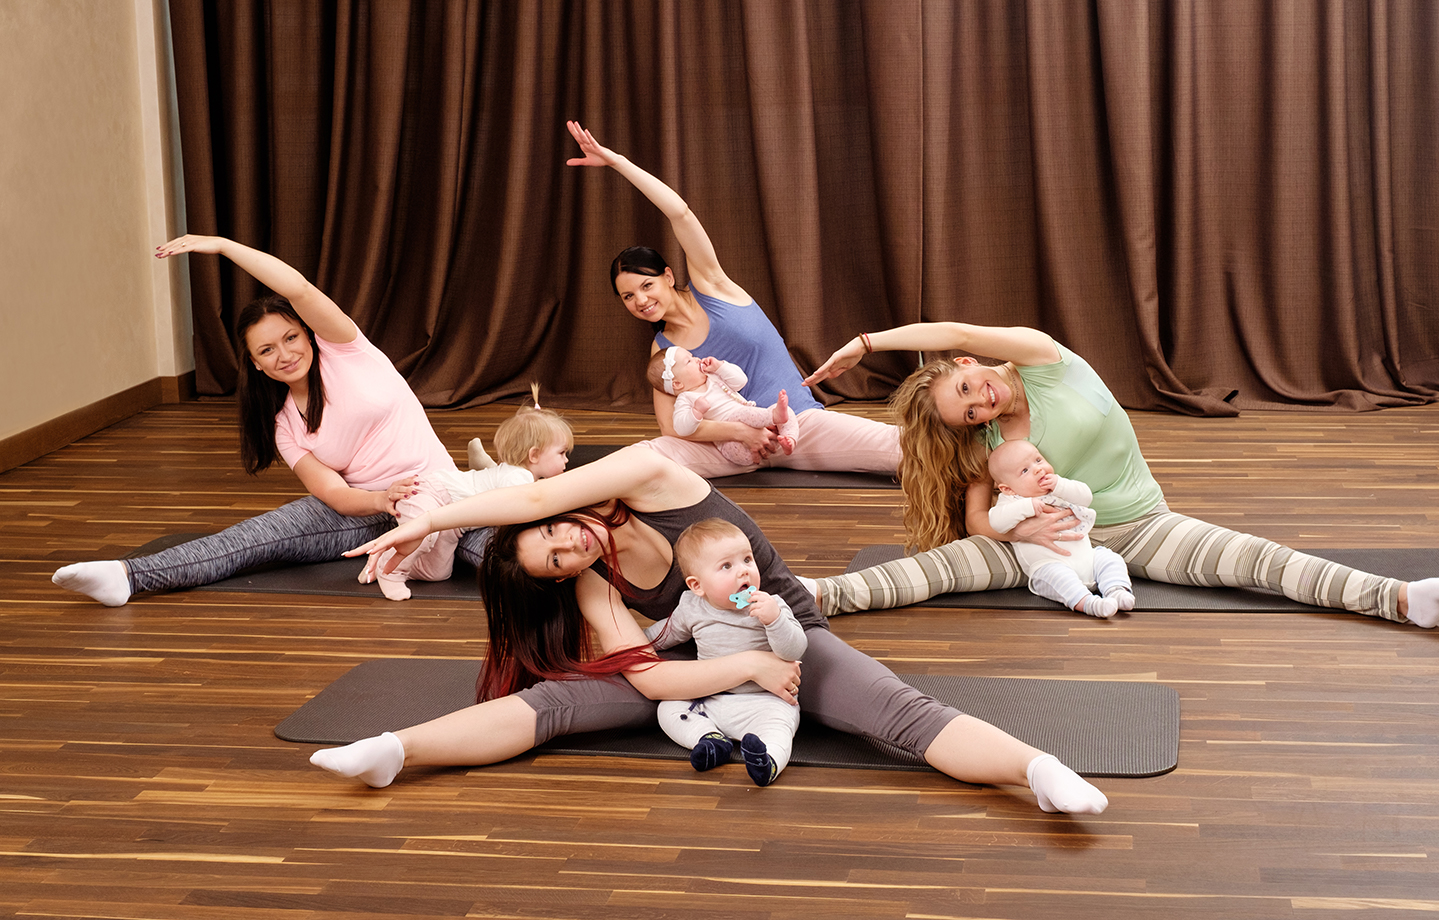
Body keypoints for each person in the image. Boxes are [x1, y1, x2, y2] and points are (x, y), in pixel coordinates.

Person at [309, 447, 1109, 815]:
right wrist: (742, 678)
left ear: (553, 511)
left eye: (557, 537)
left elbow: (518, 507)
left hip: (784, 633)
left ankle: (1037, 772)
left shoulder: (654, 476)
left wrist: (424, 524)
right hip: (696, 665)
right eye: (555, 566)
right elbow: (653, 678)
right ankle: (395, 751)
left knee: (895, 712)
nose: (570, 550)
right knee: (555, 704)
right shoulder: (590, 580)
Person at [803, 322, 1439, 627]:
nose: (980, 404)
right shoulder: (986, 443)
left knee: (1259, 561)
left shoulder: (1045, 359)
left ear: (966, 364)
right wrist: (1016, 528)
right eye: (967, 413)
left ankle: (1400, 598)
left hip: (1141, 526)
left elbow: (951, 324)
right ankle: (818, 596)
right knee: (942, 567)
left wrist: (867, 344)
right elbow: (979, 515)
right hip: (1041, 548)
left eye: (970, 390)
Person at [50, 235, 491, 605]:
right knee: (257, 537)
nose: (285, 355)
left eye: (290, 337)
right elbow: (336, 494)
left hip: (438, 494)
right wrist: (381, 502)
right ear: (256, 365)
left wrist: (223, 247)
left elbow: (297, 289)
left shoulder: (348, 351)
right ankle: (128, 577)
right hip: (368, 508)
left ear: (307, 334)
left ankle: (499, 480)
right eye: (267, 351)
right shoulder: (283, 424)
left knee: (499, 556)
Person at [566, 120, 900, 478]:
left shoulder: (713, 287)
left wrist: (617, 162)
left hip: (800, 426)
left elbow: (680, 213)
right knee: (647, 458)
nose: (640, 301)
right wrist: (742, 432)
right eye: (628, 297)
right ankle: (536, 491)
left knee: (903, 447)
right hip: (733, 447)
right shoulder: (663, 351)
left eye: (646, 286)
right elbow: (671, 428)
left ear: (668, 276)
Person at [652, 518, 805, 787]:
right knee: (668, 708)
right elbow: (666, 635)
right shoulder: (691, 607)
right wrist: (631, 646)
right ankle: (709, 739)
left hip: (764, 702)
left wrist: (775, 620)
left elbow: (795, 649)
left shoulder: (771, 605)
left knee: (781, 725)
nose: (743, 572)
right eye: (726, 566)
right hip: (711, 699)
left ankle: (766, 762)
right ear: (697, 586)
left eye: (747, 560)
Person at [987, 440, 1134, 618]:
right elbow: (997, 522)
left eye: (1038, 460)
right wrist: (1027, 506)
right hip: (1049, 566)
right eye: (1025, 471)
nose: (1037, 469)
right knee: (1059, 579)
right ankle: (1089, 603)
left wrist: (1060, 485)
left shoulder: (1057, 488)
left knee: (1110, 558)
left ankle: (1116, 590)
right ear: (1007, 489)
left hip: (1088, 559)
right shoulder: (1012, 501)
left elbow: (1085, 497)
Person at [646, 346, 799, 467]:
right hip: (734, 446)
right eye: (689, 361)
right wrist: (696, 413)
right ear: (678, 383)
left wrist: (720, 367)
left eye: (692, 356)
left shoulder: (713, 377)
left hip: (759, 427)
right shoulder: (686, 399)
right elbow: (680, 428)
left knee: (786, 411)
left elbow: (741, 381)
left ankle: (789, 439)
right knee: (745, 414)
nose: (696, 359)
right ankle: (773, 416)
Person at [436, 386, 574, 503]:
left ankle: (483, 465)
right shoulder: (517, 480)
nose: (566, 459)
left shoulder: (518, 474)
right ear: (534, 455)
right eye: (561, 453)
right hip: (442, 494)